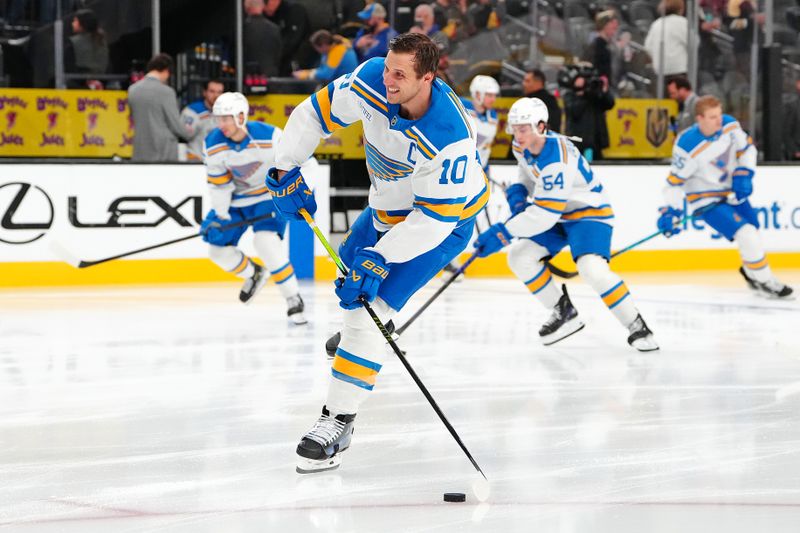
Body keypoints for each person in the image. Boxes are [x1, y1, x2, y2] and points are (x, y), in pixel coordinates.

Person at [266, 33, 488, 473]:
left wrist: (381, 257)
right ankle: (365, 333)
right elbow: (313, 114)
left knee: (367, 307)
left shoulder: (450, 136)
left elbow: (433, 221)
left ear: (428, 78)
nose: (388, 79)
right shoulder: (371, 78)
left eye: (400, 74)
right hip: (385, 207)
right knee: (350, 281)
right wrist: (286, 167)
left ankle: (338, 422)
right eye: (387, 67)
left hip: (440, 224)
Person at [472, 97, 659, 351]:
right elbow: (527, 174)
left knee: (592, 269)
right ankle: (563, 312)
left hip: (589, 214)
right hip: (558, 214)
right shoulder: (521, 144)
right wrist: (519, 195)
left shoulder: (558, 158)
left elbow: (544, 214)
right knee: (520, 256)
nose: (518, 135)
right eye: (515, 129)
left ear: (541, 126)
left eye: (523, 128)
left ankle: (637, 325)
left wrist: (503, 232)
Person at [658, 95, 793, 298]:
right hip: (706, 200)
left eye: (719, 115)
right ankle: (766, 281)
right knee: (746, 233)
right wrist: (671, 211)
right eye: (713, 117)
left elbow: (747, 149)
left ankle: (751, 274)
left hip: (732, 192)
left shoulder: (729, 126)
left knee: (753, 231)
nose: (719, 121)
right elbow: (673, 184)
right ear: (700, 119)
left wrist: (744, 173)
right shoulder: (687, 145)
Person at [200, 92, 309, 322]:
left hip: (268, 198)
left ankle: (293, 298)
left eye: (226, 118)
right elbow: (219, 185)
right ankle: (254, 274)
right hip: (236, 200)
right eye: (219, 119)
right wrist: (220, 215)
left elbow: (306, 164)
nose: (221, 125)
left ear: (241, 117)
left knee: (265, 242)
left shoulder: (270, 136)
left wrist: (297, 196)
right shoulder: (212, 143)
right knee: (216, 251)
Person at [127, 53, 190, 162]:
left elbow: (133, 117)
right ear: (166, 71)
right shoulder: (167, 92)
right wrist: (188, 133)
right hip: (164, 151)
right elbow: (174, 123)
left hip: (140, 150)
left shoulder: (132, 90)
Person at [563, 68, 615, 161]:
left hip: (596, 141)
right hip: (578, 142)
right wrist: (584, 94)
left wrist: (604, 91)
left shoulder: (596, 95)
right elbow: (574, 111)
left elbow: (610, 104)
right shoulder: (571, 95)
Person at [644, 0, 689, 81]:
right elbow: (693, 43)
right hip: (679, 68)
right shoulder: (683, 22)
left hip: (660, 69)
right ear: (680, 8)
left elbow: (648, 46)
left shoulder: (657, 24)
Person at [181, 79, 225, 161]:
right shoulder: (192, 111)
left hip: (217, 162)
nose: (216, 95)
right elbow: (184, 136)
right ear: (204, 92)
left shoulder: (226, 112)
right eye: (212, 91)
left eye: (219, 92)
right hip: (196, 160)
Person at [264, 0, 311, 75]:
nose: (263, 7)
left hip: (296, 59)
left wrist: (274, 54)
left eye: (266, 2)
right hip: (276, 60)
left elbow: (293, 40)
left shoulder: (294, 10)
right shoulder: (266, 15)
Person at [293, 30, 358, 84]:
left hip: (346, 84)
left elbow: (327, 75)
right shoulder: (337, 46)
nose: (317, 51)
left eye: (316, 48)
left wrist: (306, 75)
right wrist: (306, 72)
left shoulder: (338, 51)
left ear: (323, 46)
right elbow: (323, 69)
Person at [66, 8, 109, 83]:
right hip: (101, 83)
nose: (72, 23)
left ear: (82, 24)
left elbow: (69, 67)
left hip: (78, 85)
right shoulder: (102, 41)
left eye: (75, 21)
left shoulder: (73, 42)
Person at [243, 0, 282, 77]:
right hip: (270, 76)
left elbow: (234, 53)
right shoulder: (275, 29)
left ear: (246, 7)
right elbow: (278, 54)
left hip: (247, 77)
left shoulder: (242, 29)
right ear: (263, 6)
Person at [522, 69, 561, 133]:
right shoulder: (525, 100)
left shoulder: (548, 101)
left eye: (527, 81)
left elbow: (552, 125)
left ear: (538, 83)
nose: (523, 84)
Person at [589, 10, 619, 84]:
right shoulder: (597, 44)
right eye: (613, 25)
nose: (615, 29)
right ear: (605, 25)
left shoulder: (607, 44)